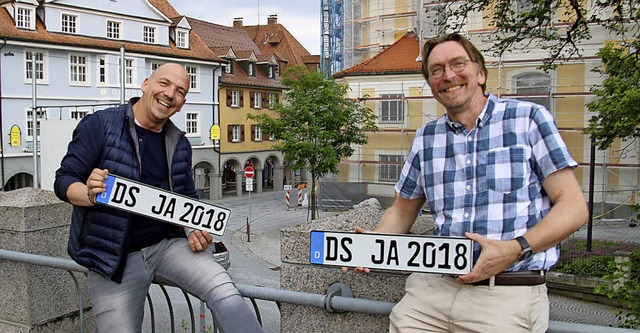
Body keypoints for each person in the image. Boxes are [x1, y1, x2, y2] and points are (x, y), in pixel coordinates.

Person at [344, 33, 589, 332]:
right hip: (431, 292)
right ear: (432, 85)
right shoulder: (426, 138)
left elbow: (574, 208)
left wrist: (516, 248)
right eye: (436, 70)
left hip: (506, 293)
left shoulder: (528, 119)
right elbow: (403, 210)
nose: (448, 75)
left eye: (458, 63)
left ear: (481, 73)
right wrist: (374, 244)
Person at [54, 63, 263, 333]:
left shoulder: (180, 142)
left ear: (181, 104)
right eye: (164, 83)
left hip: (168, 246)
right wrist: (89, 194)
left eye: (179, 91)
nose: (169, 94)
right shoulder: (100, 125)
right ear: (145, 85)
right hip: (113, 259)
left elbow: (187, 198)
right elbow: (63, 180)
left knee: (225, 292)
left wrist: (194, 229)